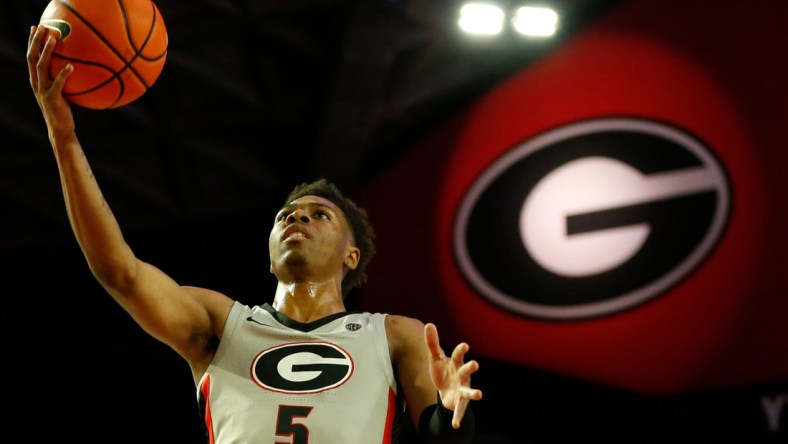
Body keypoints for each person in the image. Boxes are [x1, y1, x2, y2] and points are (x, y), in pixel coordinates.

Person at [26, 25, 482, 443]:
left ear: (351, 256)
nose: (296, 220)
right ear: (268, 255)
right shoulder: (222, 325)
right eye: (286, 215)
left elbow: (443, 438)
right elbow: (119, 272)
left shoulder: (395, 335)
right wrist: (64, 139)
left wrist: (451, 413)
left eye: (318, 216)